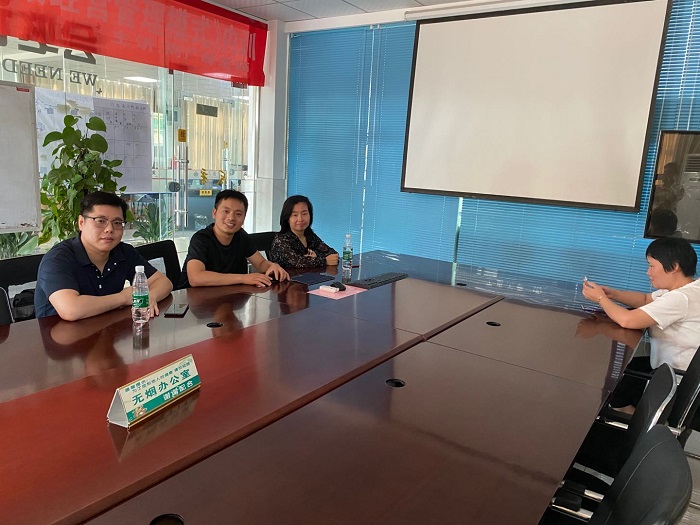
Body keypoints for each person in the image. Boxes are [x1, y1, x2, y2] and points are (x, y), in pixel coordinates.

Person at [582, 237, 700, 410]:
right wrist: (612, 294)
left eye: (652, 266)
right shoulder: (690, 287)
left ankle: (630, 419)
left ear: (674, 267)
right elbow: (645, 299)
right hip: (676, 369)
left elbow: (627, 320)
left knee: (616, 385)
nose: (648, 272)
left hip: (675, 380)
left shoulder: (680, 298)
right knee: (625, 373)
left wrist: (600, 299)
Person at [35, 191, 173, 321]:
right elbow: (71, 310)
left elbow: (163, 282)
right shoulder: (57, 259)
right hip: (59, 335)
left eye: (117, 223)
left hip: (107, 329)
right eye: (100, 221)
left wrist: (150, 297)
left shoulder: (123, 251)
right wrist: (124, 298)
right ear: (81, 223)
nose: (109, 229)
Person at [180, 189, 289, 288]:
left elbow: (260, 263)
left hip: (230, 296)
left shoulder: (241, 236)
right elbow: (196, 278)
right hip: (195, 299)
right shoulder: (201, 239)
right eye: (226, 211)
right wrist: (243, 278)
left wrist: (273, 266)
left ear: (244, 218)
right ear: (214, 213)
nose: (231, 218)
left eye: (238, 214)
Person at [269, 195, 339, 269]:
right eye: (295, 215)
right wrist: (324, 260)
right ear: (287, 218)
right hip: (288, 276)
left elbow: (333, 255)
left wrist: (316, 257)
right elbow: (298, 263)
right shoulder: (281, 240)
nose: (300, 219)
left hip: (310, 275)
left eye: (304, 214)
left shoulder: (310, 236)